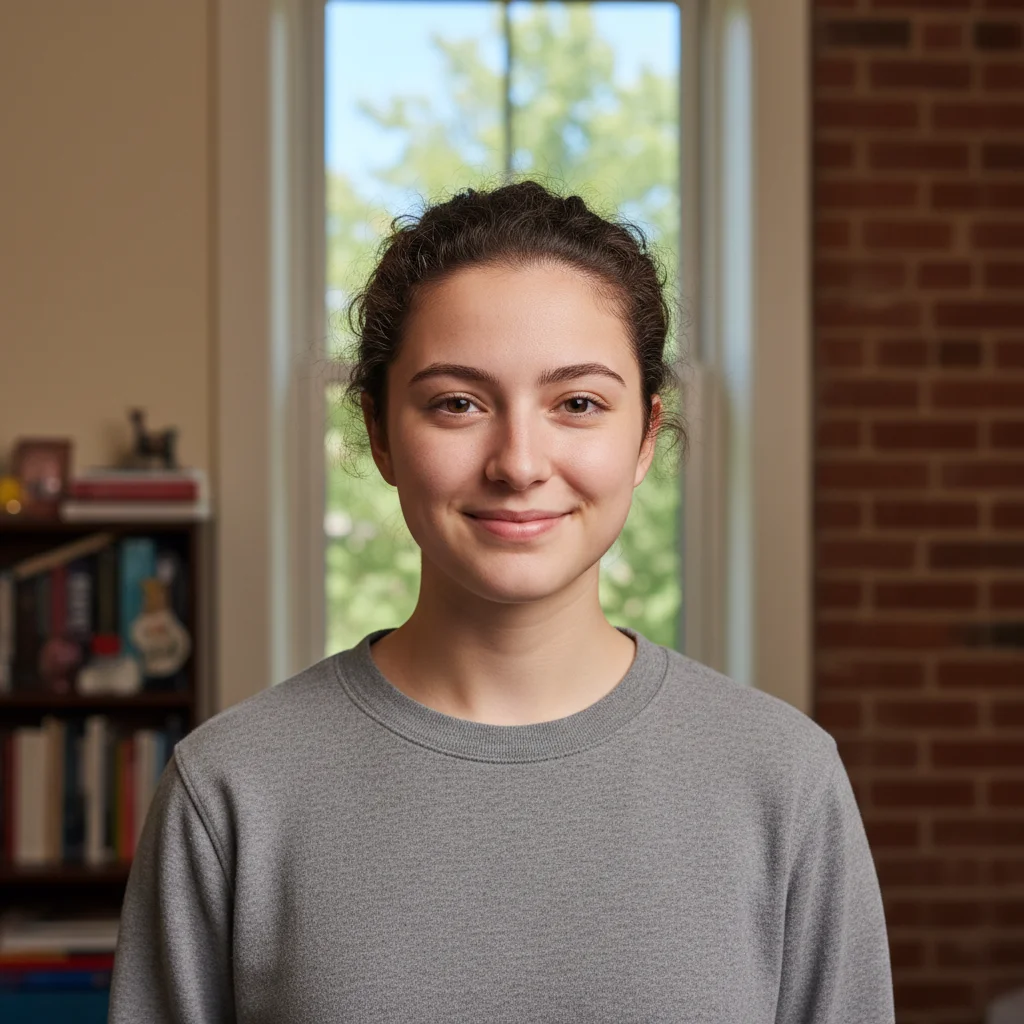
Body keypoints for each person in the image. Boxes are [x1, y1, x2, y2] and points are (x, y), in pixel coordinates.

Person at [108, 180, 895, 1023]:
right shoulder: (230, 789)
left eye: (578, 404)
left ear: (644, 435)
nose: (519, 463)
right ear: (379, 433)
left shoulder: (785, 781)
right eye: (458, 403)